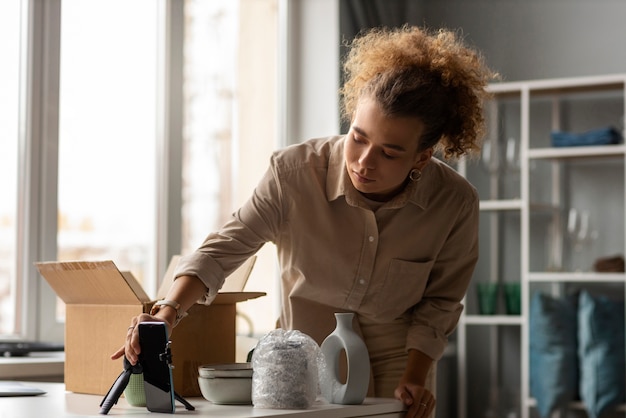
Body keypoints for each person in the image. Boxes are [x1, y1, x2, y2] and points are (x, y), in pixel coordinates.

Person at [113, 25, 496, 418]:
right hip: (300, 360)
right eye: (358, 137)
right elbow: (224, 249)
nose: (364, 161)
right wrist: (167, 313)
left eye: (389, 152)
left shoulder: (454, 203)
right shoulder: (293, 175)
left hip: (399, 364)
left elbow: (441, 302)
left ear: (422, 156)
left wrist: (415, 375)